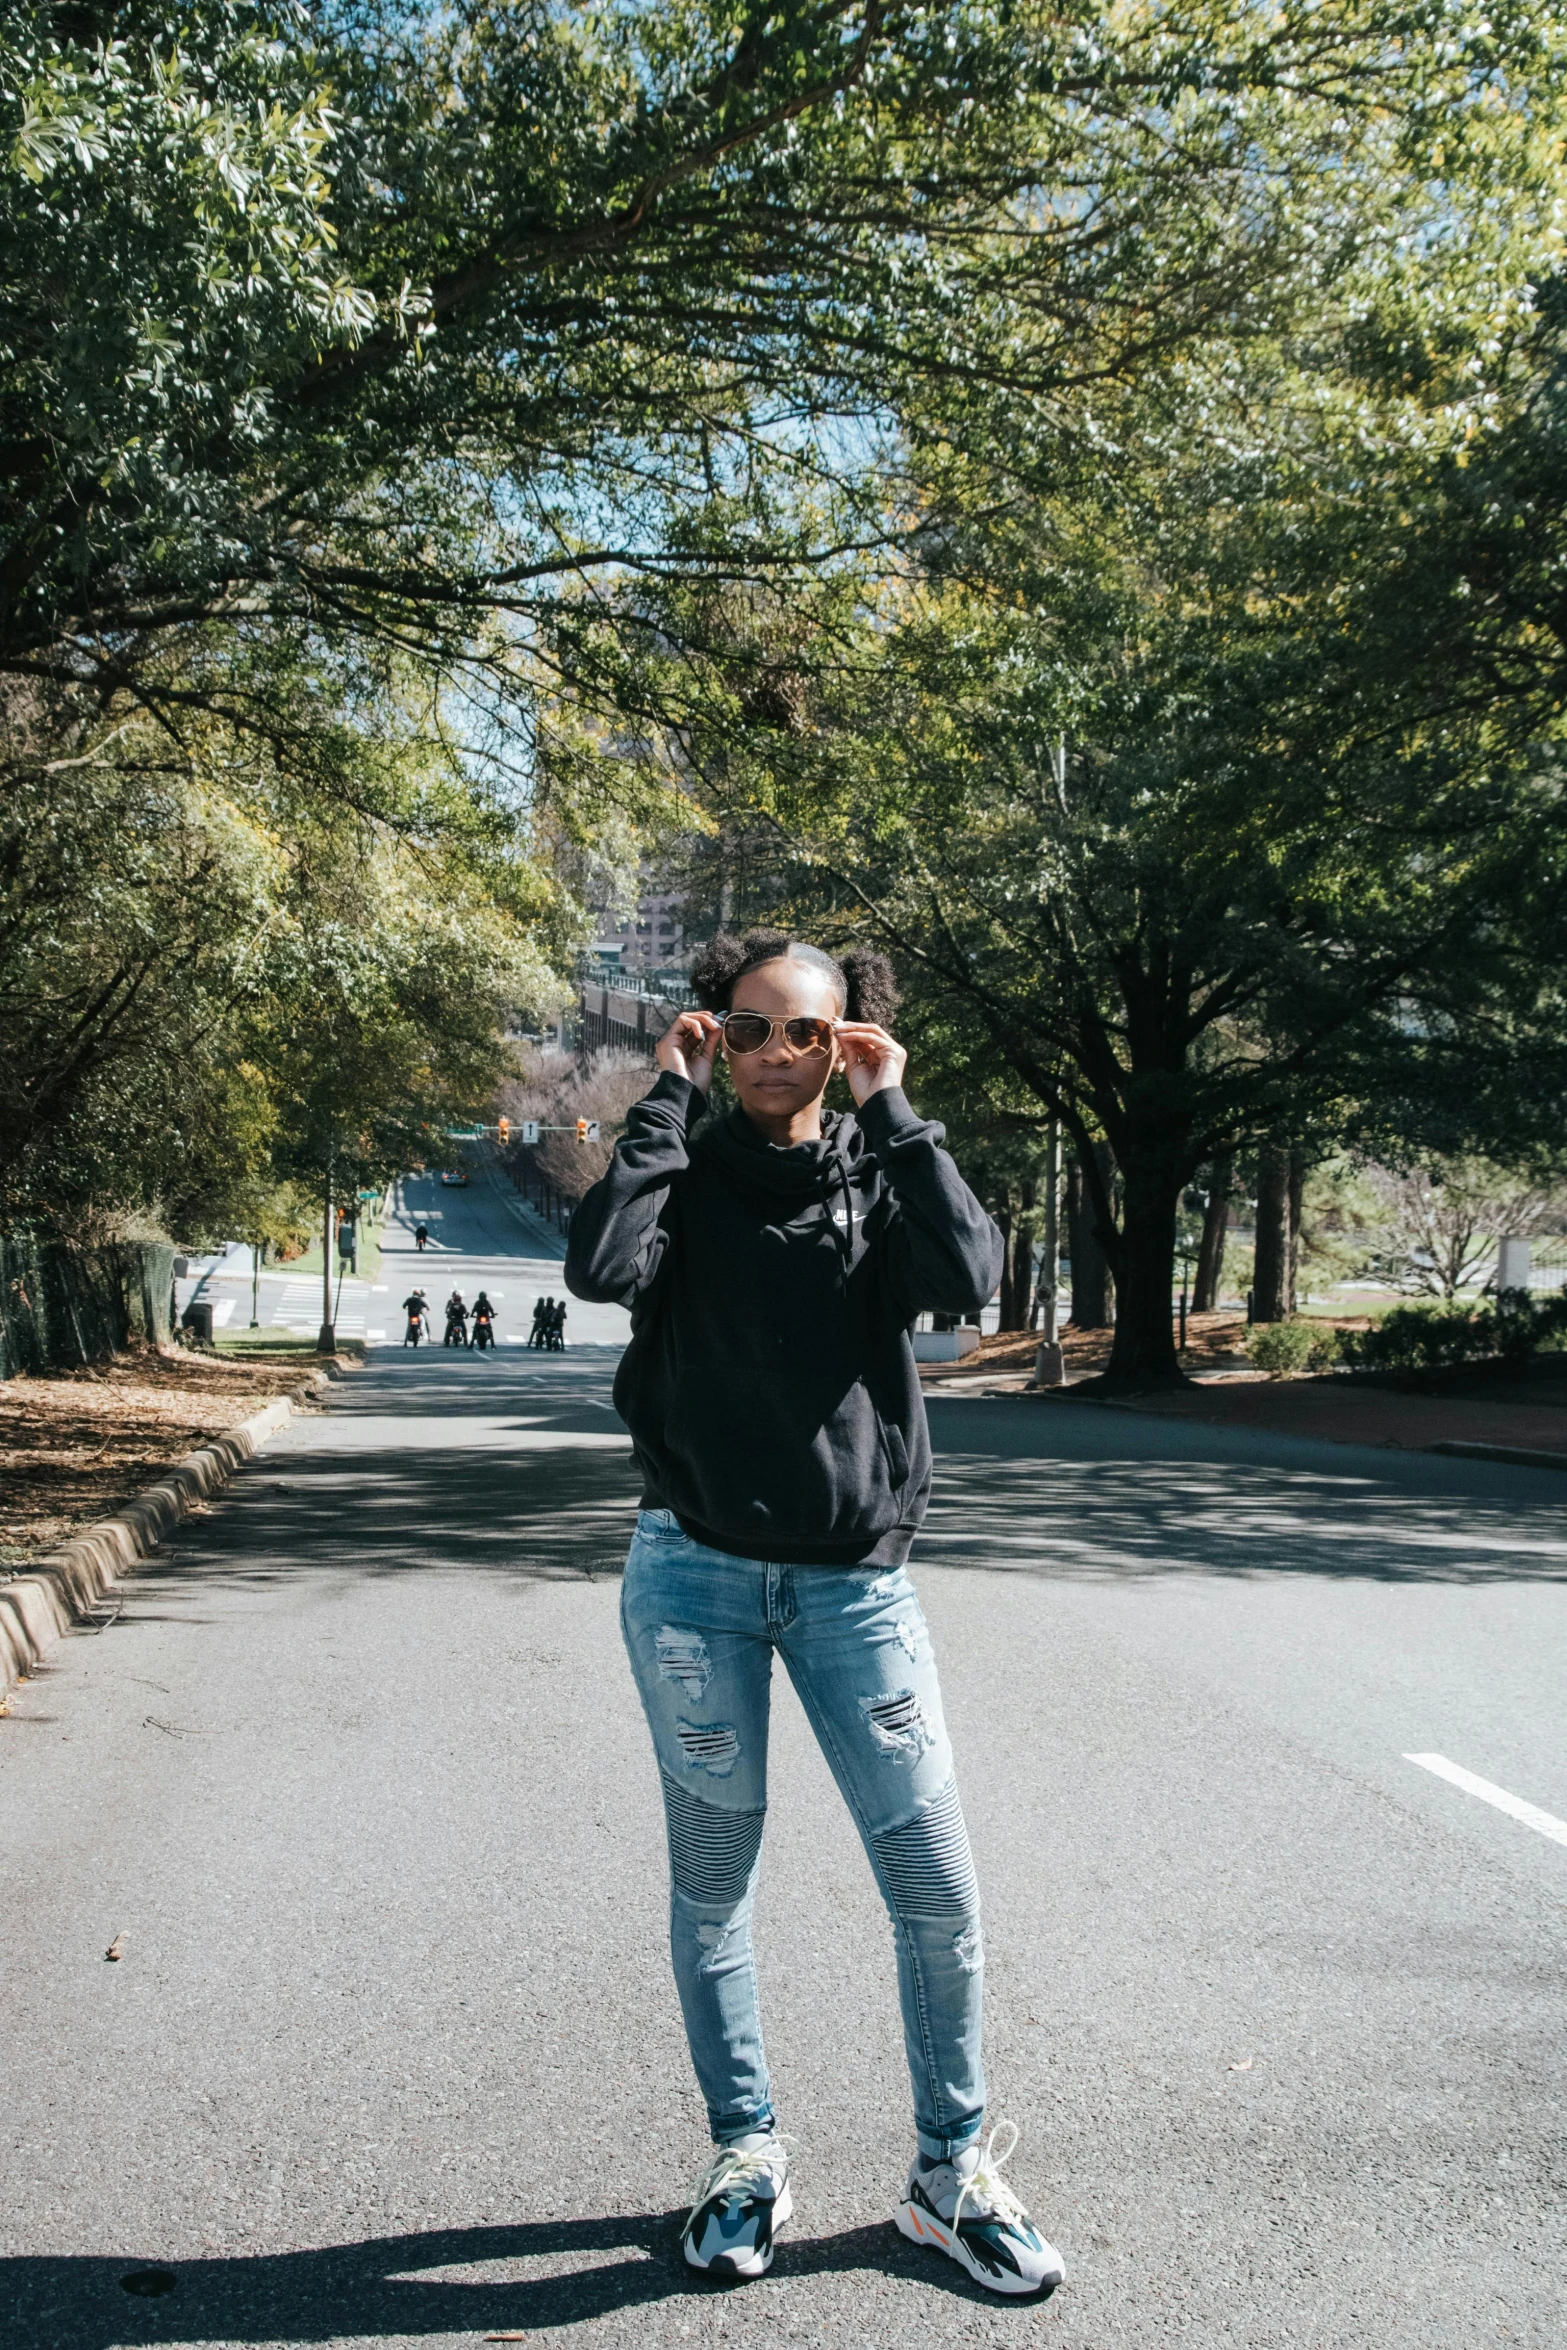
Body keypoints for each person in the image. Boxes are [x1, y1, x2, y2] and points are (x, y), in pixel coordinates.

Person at [565, 928, 1063, 2299]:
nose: (776, 1052)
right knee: (714, 1887)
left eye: (806, 1032)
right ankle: (745, 2156)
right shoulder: (679, 1168)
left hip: (855, 1588)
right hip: (691, 1581)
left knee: (935, 1887)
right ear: (712, 1037)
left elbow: (964, 1273)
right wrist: (661, 1099)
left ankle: (948, 2174)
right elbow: (604, 1265)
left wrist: (893, 1109)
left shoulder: (874, 1171)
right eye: (748, 1029)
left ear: (844, 1042)